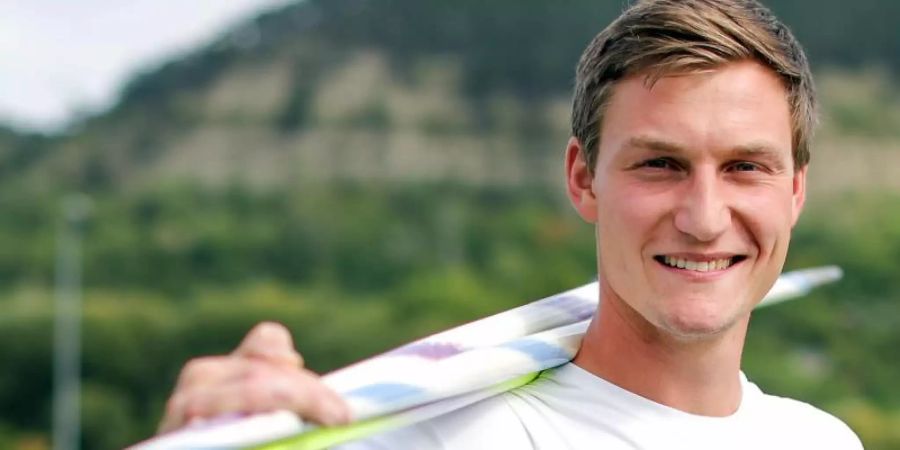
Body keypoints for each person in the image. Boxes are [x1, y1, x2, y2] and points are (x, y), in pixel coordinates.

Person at [158, 0, 864, 448]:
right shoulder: (456, 438)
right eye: (660, 165)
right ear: (583, 178)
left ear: (796, 191)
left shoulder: (819, 439)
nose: (705, 218)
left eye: (745, 167)